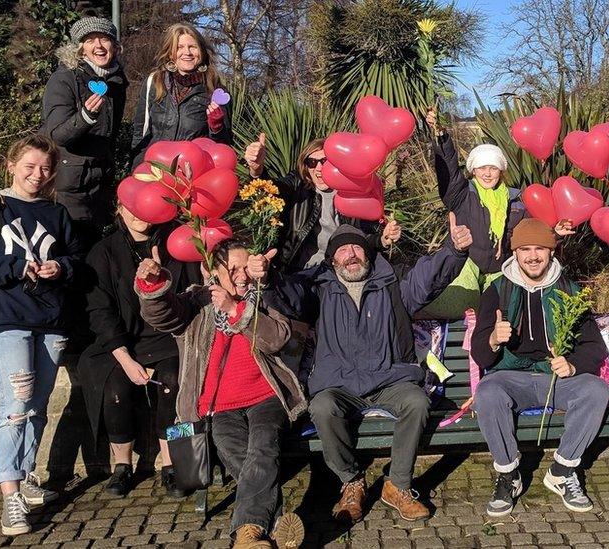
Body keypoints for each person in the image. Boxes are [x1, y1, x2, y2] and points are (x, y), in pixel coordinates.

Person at [268, 218, 473, 523]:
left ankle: (398, 485)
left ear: (367, 252)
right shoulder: (319, 287)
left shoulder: (393, 282)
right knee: (322, 407)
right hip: (339, 385)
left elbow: (428, 277)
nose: (350, 254)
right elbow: (289, 295)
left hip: (390, 378)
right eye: (342, 250)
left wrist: (454, 251)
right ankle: (351, 481)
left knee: (416, 402)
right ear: (332, 259)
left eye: (356, 247)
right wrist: (266, 278)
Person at [136, 239, 306, 548]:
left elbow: (277, 338)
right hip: (219, 406)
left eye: (246, 268)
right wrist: (154, 285)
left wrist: (235, 309)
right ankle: (275, 519)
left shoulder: (262, 298)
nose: (242, 276)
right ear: (213, 270)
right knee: (234, 450)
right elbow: (162, 315)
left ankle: (247, 534)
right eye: (233, 269)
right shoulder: (196, 302)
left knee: (263, 447)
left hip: (266, 397)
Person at [0, 135, 84, 535]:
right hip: (9, 321)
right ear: (11, 165)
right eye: (29, 166)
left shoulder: (57, 213)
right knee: (14, 405)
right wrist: (16, 267)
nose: (37, 175)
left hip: (50, 323)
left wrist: (61, 268)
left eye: (44, 168)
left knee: (36, 406)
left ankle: (24, 475)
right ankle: (10, 497)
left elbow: (77, 260)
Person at [469, 218, 609, 516]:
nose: (532, 256)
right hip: (510, 378)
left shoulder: (569, 290)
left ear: (551, 252)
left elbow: (595, 347)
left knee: (596, 390)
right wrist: (494, 339)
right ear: (515, 253)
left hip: (555, 379)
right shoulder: (497, 290)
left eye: (540, 249)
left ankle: (562, 471)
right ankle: (508, 475)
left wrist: (572, 365)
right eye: (525, 249)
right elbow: (481, 355)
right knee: (488, 392)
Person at [77, 203, 199, 498]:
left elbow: (193, 291)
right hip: (121, 342)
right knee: (114, 389)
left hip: (169, 335)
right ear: (118, 208)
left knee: (174, 383)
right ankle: (122, 464)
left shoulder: (175, 243)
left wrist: (162, 282)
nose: (139, 213)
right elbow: (100, 311)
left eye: (146, 204)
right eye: (131, 206)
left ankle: (173, 463)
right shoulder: (104, 252)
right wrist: (126, 359)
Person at [420, 111, 571, 319]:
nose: (487, 173)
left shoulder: (516, 201)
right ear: (473, 170)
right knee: (453, 305)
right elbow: (449, 170)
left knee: (504, 313)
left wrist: (557, 233)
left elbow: (533, 236)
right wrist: (442, 138)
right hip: (466, 265)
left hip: (501, 269)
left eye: (493, 168)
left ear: (501, 171)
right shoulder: (462, 195)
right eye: (482, 168)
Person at [243, 136, 401, 273]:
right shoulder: (298, 185)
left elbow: (364, 237)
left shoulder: (351, 192)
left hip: (341, 271)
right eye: (312, 162)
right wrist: (257, 170)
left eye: (325, 161)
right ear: (306, 166)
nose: (318, 168)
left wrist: (383, 240)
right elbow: (272, 190)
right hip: (300, 270)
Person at [41, 16, 128, 246]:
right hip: (68, 186)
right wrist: (85, 117)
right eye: (91, 40)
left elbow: (111, 136)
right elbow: (57, 134)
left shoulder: (117, 82)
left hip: (101, 187)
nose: (98, 46)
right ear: (81, 49)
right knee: (70, 250)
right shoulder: (64, 79)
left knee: (95, 252)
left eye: (104, 39)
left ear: (114, 46)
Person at [130, 23, 231, 167]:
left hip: (194, 173)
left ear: (201, 51)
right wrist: (137, 166)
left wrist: (217, 127)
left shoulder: (215, 90)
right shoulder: (154, 82)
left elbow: (224, 146)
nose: (187, 52)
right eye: (179, 47)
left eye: (192, 47)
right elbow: (140, 131)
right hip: (156, 170)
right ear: (170, 53)